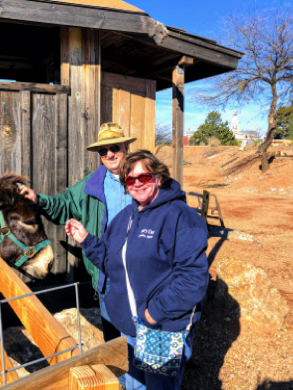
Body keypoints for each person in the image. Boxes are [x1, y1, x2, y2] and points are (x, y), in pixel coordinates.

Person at [65, 150, 209, 390]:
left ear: (159, 177)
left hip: (160, 327)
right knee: (134, 387)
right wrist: (87, 240)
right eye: (130, 179)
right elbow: (112, 262)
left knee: (158, 387)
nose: (138, 183)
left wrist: (153, 314)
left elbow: (192, 280)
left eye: (145, 176)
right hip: (128, 326)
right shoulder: (125, 218)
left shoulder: (181, 217)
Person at [19, 122, 137, 345]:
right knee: (114, 338)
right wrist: (38, 200)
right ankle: (122, 379)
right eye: (104, 150)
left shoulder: (143, 179)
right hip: (108, 272)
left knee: (140, 334)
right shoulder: (91, 185)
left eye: (115, 147)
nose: (110, 154)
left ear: (126, 147)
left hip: (141, 273)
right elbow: (64, 205)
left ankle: (144, 377)